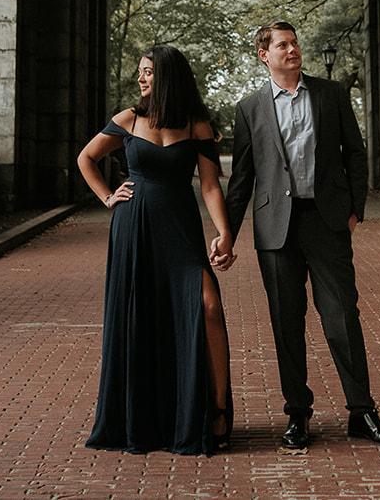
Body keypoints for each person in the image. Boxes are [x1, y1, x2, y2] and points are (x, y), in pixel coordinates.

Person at [221, 21, 380, 450]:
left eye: (294, 42)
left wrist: (354, 211)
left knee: (342, 316)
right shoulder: (250, 108)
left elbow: (355, 154)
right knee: (287, 324)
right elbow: (242, 179)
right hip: (275, 229)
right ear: (264, 55)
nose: (292, 49)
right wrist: (226, 233)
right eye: (282, 45)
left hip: (326, 222)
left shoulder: (331, 94)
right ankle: (297, 416)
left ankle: (362, 413)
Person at [78, 44, 236, 455]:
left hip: (180, 230)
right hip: (135, 230)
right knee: (141, 318)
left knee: (208, 306)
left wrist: (225, 233)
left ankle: (216, 409)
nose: (141, 77)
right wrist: (108, 197)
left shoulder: (197, 124)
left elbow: (209, 185)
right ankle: (143, 419)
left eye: (147, 71)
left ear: (167, 75)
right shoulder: (127, 120)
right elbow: (86, 158)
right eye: (140, 71)